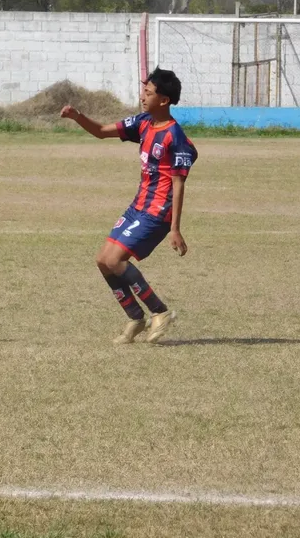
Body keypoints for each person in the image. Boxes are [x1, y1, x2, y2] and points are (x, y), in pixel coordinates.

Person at [60, 68, 197, 345]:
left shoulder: (175, 136)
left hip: (158, 211)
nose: (142, 97)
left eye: (148, 93)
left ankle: (160, 311)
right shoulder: (144, 122)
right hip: (138, 206)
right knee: (103, 260)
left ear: (164, 100)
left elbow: (179, 184)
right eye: (143, 91)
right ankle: (135, 317)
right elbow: (101, 132)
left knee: (115, 260)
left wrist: (175, 228)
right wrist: (77, 117)